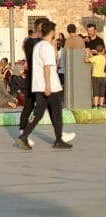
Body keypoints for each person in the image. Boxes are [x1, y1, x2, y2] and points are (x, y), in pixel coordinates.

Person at [18, 20, 74, 150]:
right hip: (50, 86)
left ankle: (25, 135)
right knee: (57, 113)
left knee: (38, 113)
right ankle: (58, 140)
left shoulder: (38, 46)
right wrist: (48, 86)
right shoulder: (47, 47)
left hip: (38, 85)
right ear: (52, 32)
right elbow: (47, 67)